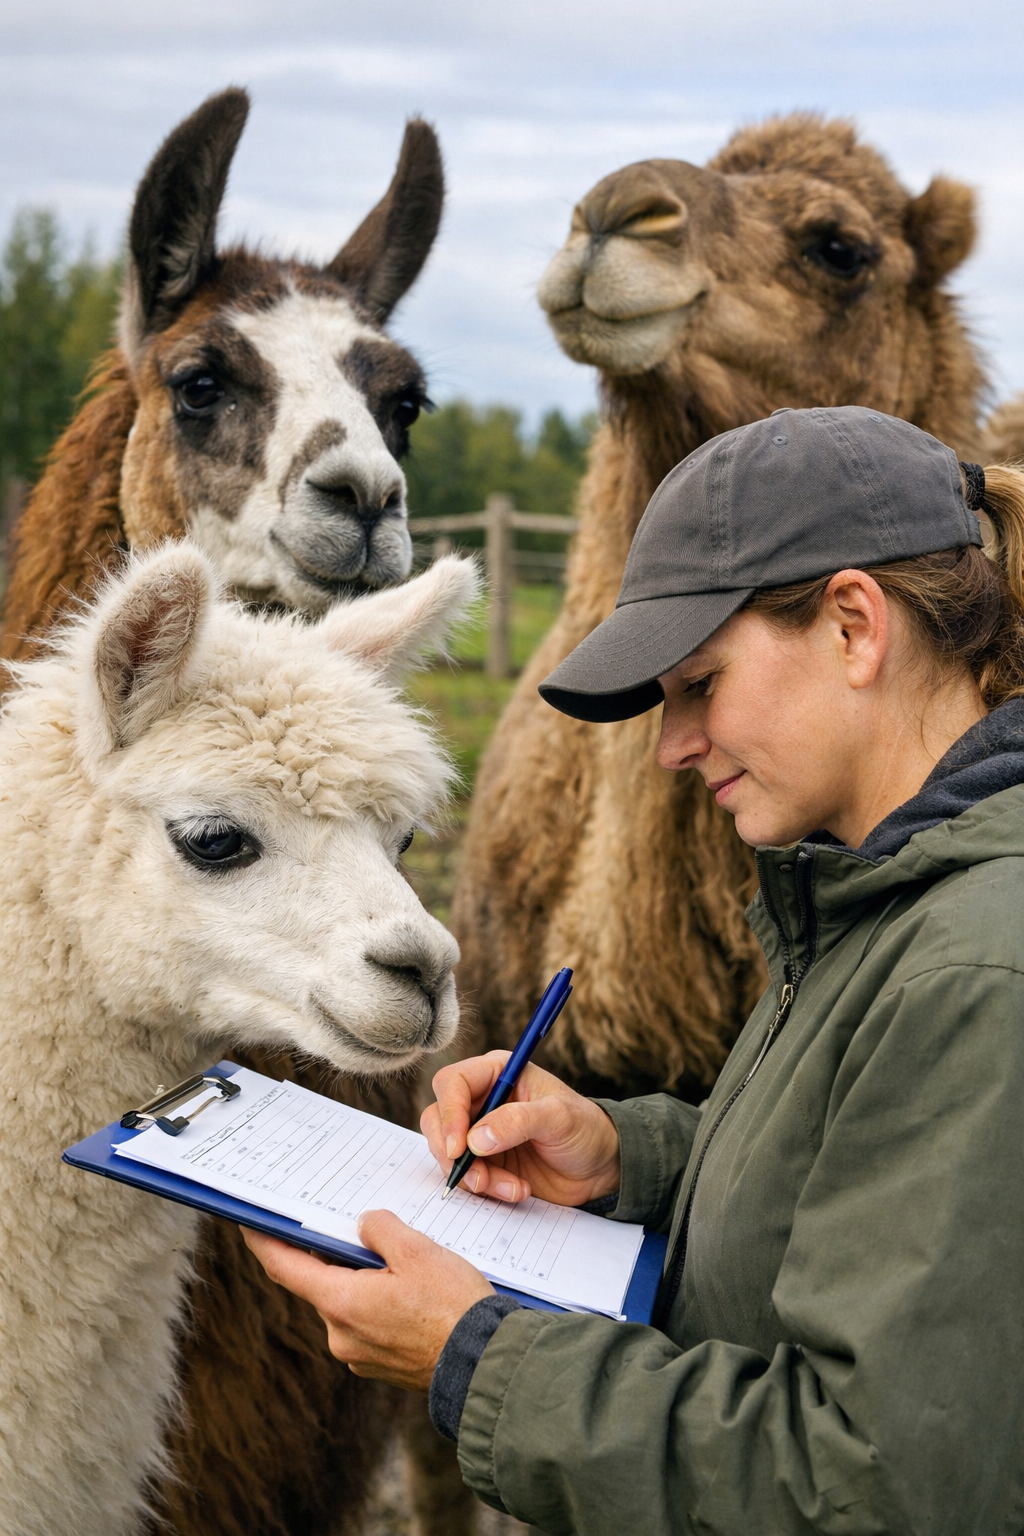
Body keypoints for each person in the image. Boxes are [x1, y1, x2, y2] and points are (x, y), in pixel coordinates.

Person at [243, 407, 1024, 1534]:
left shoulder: (975, 967)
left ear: (854, 626)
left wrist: (477, 1356)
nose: (669, 745)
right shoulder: (885, 897)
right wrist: (628, 1159)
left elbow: (871, 1488)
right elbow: (873, 1183)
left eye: (698, 685)